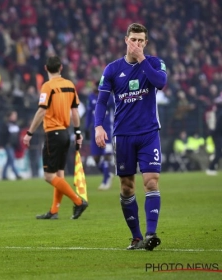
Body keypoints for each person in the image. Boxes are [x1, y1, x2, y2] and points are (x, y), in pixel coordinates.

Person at [95, 23, 167, 251]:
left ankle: (151, 234)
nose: (136, 44)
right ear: (126, 40)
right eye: (133, 39)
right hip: (123, 135)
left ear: (145, 43)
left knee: (151, 181)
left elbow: (161, 83)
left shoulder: (155, 63)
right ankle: (136, 237)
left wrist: (142, 59)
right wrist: (98, 126)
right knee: (127, 187)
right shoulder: (112, 69)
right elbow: (102, 102)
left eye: (141, 41)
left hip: (148, 133)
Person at [23, 55, 88, 220]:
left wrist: (29, 133)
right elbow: (74, 111)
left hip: (53, 133)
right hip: (66, 134)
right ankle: (54, 211)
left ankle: (78, 202)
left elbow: (42, 110)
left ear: (46, 68)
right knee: (59, 175)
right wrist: (78, 133)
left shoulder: (47, 86)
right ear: (61, 68)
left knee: (48, 176)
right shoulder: (69, 85)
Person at [85, 81, 115, 190]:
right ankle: (107, 175)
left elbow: (116, 110)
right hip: (95, 131)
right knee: (96, 158)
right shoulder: (91, 97)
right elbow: (89, 113)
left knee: (107, 155)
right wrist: (86, 128)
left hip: (107, 130)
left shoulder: (109, 97)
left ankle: (105, 180)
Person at [0, 110, 22, 180]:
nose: (15, 117)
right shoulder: (6, 125)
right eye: (13, 115)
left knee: (9, 161)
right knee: (12, 160)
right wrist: (2, 144)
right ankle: (17, 174)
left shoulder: (16, 125)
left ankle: (3, 175)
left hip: (14, 145)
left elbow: (17, 136)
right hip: (8, 145)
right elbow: (2, 135)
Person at [206, 93, 222, 175]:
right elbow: (218, 126)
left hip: (215, 134)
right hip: (217, 134)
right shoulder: (219, 113)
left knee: (219, 152)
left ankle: (212, 167)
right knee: (218, 152)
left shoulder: (216, 111)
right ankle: (211, 168)